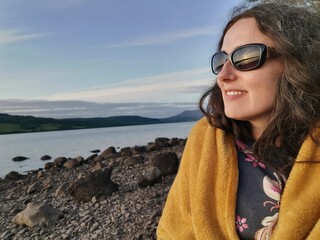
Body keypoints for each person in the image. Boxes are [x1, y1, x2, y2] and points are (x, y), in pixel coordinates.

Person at [157, 2, 320, 240]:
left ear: (299, 62)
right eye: (221, 61)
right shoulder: (205, 139)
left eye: (246, 57)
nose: (223, 76)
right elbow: (173, 231)